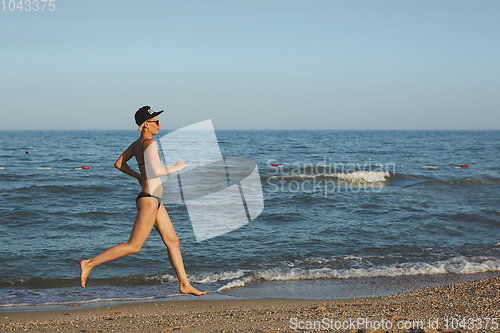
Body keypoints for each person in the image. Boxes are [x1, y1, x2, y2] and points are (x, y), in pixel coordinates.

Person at [80, 106, 205, 296]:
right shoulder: (150, 144)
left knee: (173, 241)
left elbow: (119, 164)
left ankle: (184, 284)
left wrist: (138, 176)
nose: (159, 125)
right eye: (156, 122)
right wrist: (177, 168)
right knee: (134, 246)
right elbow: (157, 171)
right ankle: (89, 263)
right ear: (146, 124)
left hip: (154, 200)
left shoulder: (137, 144)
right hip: (149, 200)